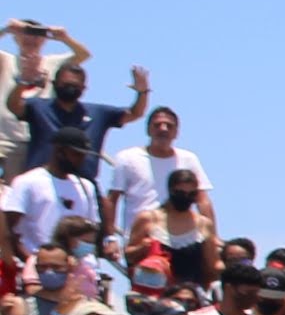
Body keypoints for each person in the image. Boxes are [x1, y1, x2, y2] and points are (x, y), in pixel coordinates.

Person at [103, 104, 213, 252]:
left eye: (169, 126)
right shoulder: (127, 158)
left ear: (176, 132)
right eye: (157, 125)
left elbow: (202, 200)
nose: (163, 129)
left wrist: (213, 237)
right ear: (148, 130)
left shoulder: (189, 159)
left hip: (184, 238)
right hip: (142, 240)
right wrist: (110, 238)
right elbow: (112, 200)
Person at [15, 55, 145, 178]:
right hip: (42, 182)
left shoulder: (98, 113)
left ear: (84, 88)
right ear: (54, 84)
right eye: (66, 85)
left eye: (75, 86)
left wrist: (142, 92)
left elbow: (135, 113)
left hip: (83, 186)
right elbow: (13, 106)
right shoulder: (38, 107)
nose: (70, 89)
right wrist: (23, 81)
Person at [3, 134, 102, 257]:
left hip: (75, 267)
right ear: (59, 151)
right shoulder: (28, 181)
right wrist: (30, 261)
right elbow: (9, 227)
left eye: (83, 155)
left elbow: (91, 228)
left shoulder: (86, 187)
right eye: (76, 154)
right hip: (36, 264)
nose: (81, 160)